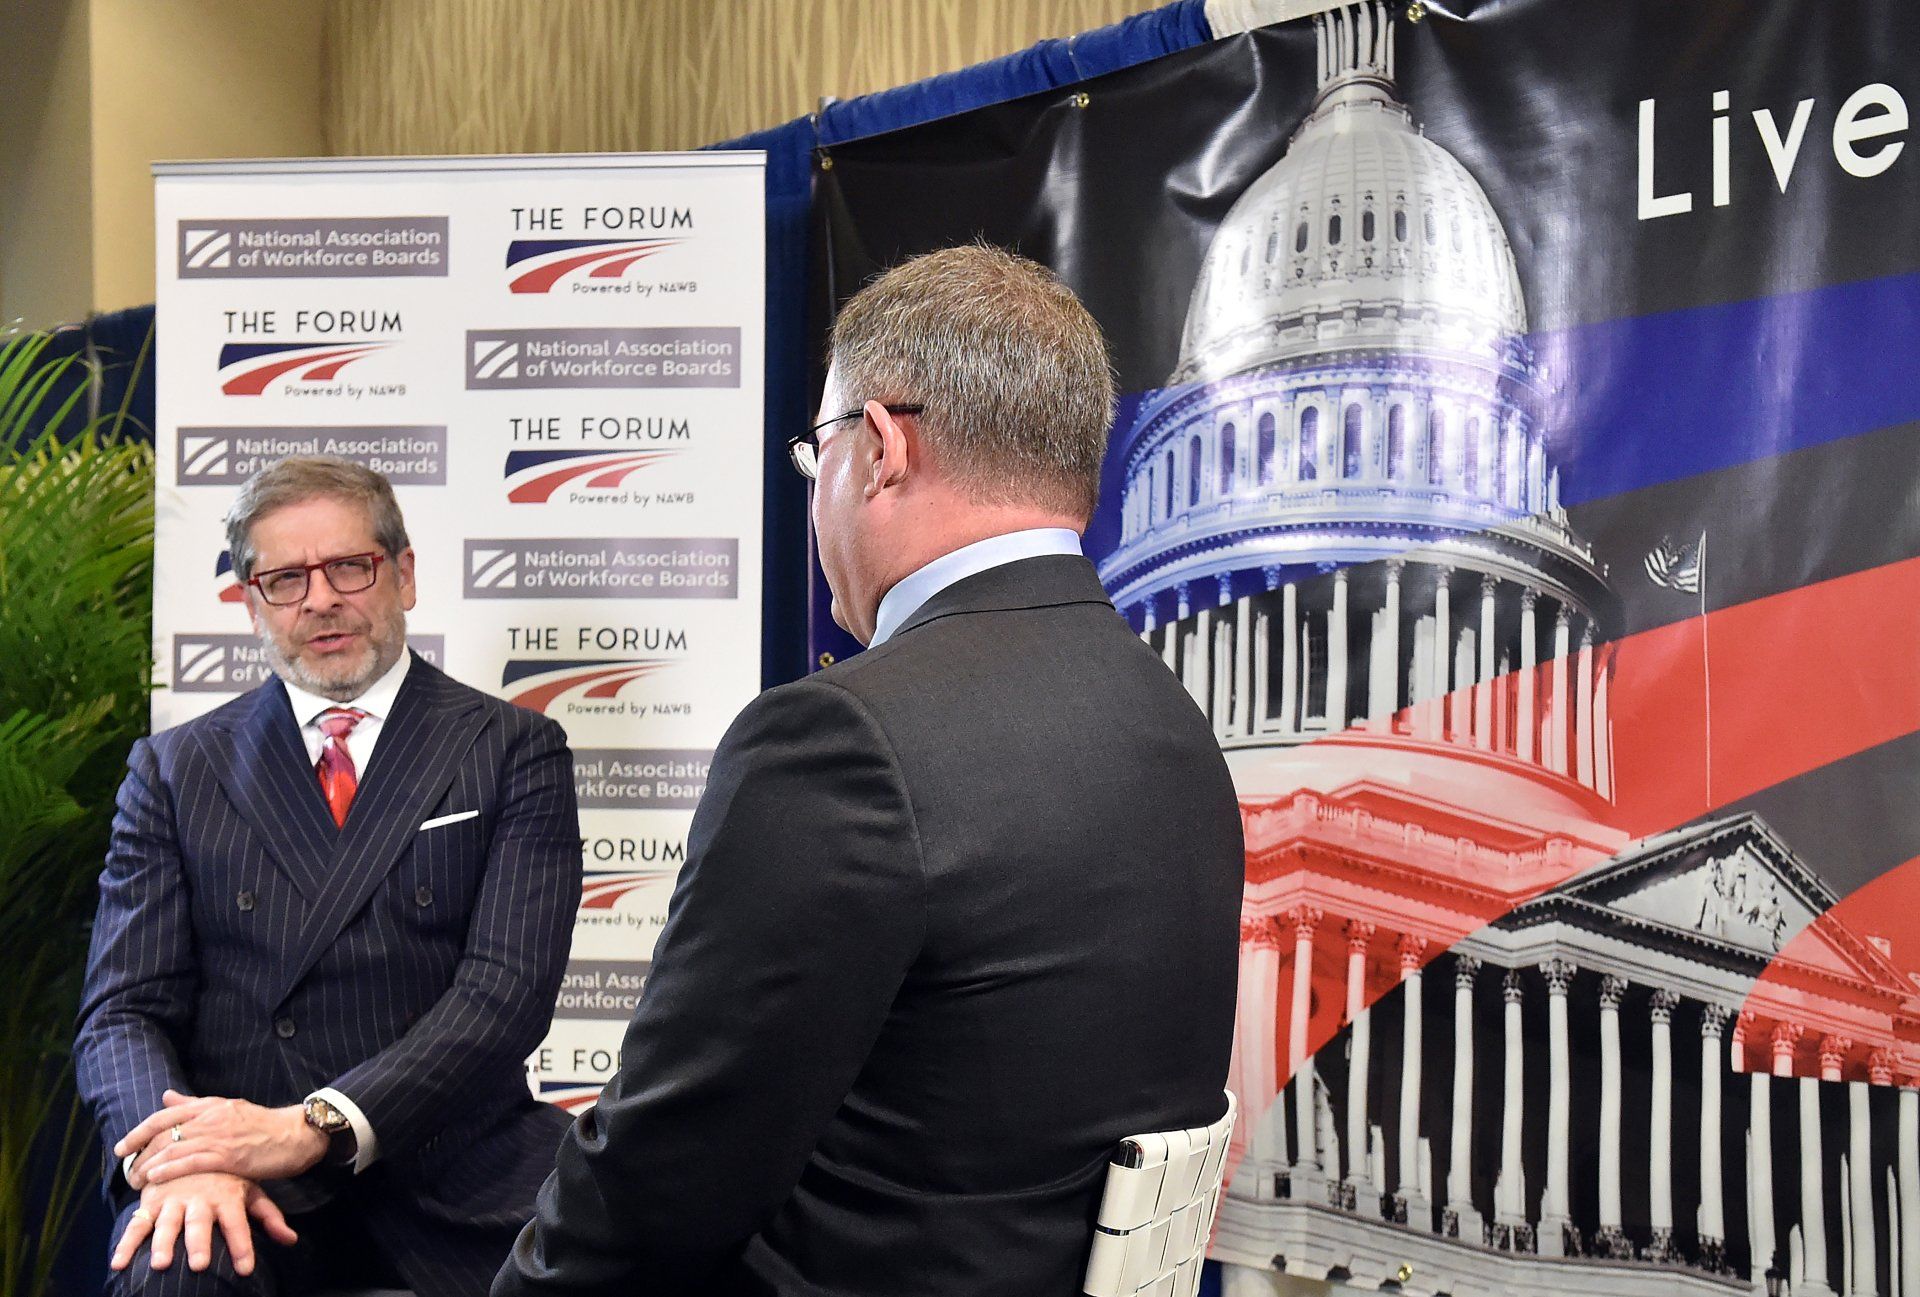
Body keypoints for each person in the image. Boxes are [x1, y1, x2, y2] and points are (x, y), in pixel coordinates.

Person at [495, 244, 1243, 1296]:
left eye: (815, 459)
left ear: (881, 446)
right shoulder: (1168, 717)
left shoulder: (840, 741)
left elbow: (664, 1181)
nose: (818, 498)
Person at [75, 457, 583, 1297]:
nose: (320, 598)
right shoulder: (175, 769)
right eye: (284, 579)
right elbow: (122, 1010)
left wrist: (317, 1126)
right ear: (250, 603)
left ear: (404, 573)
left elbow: (506, 990)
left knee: (644, 1244)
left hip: (456, 1162)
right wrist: (181, 1157)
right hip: (240, 1169)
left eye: (349, 566)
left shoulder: (511, 750)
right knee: (175, 1265)